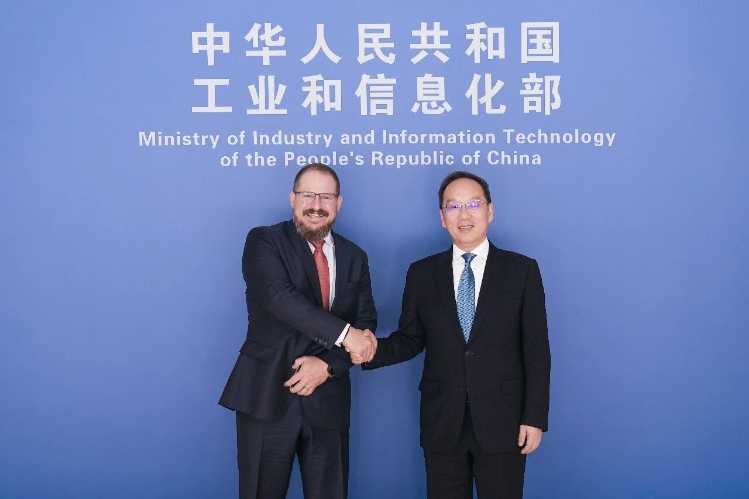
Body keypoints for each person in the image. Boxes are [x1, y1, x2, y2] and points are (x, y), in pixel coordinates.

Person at [361, 171, 550, 498]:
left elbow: (536, 351)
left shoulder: (522, 271)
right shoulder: (422, 273)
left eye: (473, 204)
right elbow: (410, 338)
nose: (464, 215)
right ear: (442, 217)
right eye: (453, 206)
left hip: (503, 420)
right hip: (443, 420)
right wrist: (367, 349)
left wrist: (534, 417)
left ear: (490, 210)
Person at [219, 163, 377, 499]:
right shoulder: (264, 240)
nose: (316, 205)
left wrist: (329, 366)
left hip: (329, 402)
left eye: (326, 197)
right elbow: (279, 298)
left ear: (338, 203)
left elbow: (366, 323)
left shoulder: (355, 256)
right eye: (308, 195)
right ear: (292, 199)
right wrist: (345, 335)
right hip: (267, 394)